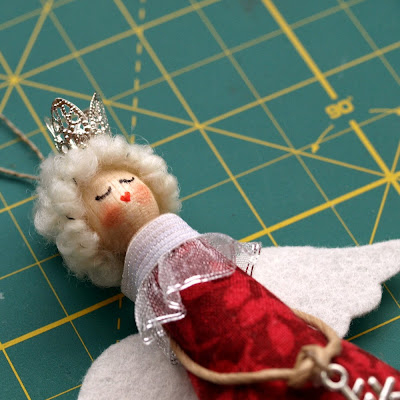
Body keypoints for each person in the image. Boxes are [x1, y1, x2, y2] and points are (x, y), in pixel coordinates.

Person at [34, 94, 400, 400]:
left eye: (128, 180)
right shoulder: (157, 303)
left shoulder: (209, 258)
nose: (124, 194)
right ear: (86, 233)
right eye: (103, 196)